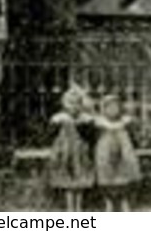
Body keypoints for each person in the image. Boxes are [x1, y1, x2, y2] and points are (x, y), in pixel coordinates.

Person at [45, 84, 94, 212]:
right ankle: (70, 208)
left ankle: (79, 207)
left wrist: (82, 125)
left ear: (81, 104)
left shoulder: (85, 119)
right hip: (65, 152)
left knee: (80, 181)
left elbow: (90, 137)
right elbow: (51, 135)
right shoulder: (59, 118)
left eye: (77, 103)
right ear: (64, 104)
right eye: (70, 103)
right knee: (68, 182)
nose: (73, 106)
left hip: (80, 153)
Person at [91, 92, 141, 211]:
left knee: (123, 178)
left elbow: (132, 134)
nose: (113, 110)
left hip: (123, 155)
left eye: (116, 107)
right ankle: (109, 203)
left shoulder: (123, 122)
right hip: (106, 154)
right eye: (109, 107)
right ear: (104, 109)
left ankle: (124, 203)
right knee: (107, 178)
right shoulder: (101, 123)